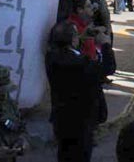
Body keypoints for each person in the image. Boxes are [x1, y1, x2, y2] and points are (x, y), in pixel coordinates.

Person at [46, 22, 113, 162]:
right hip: (81, 119)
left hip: (62, 116)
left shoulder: (52, 57)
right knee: (79, 154)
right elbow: (108, 68)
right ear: (72, 39)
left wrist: (82, 36)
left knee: (64, 153)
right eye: (75, 35)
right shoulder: (79, 63)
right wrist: (105, 45)